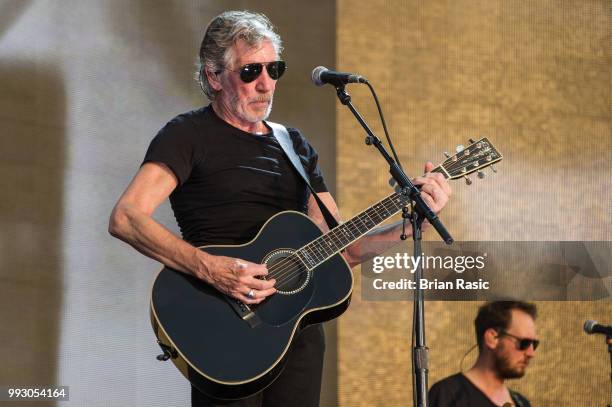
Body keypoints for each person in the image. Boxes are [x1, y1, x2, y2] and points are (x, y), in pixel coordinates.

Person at [108, 10, 452, 407]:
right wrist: (212, 269)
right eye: (251, 71)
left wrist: (409, 225)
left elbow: (340, 250)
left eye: (275, 69)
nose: (266, 84)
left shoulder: (295, 146)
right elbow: (126, 217)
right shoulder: (187, 135)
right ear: (214, 76)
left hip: (296, 338)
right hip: (221, 329)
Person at [429, 301, 538, 407]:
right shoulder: (448, 394)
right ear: (492, 338)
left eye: (534, 344)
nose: (531, 353)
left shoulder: (522, 403)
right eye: (524, 343)